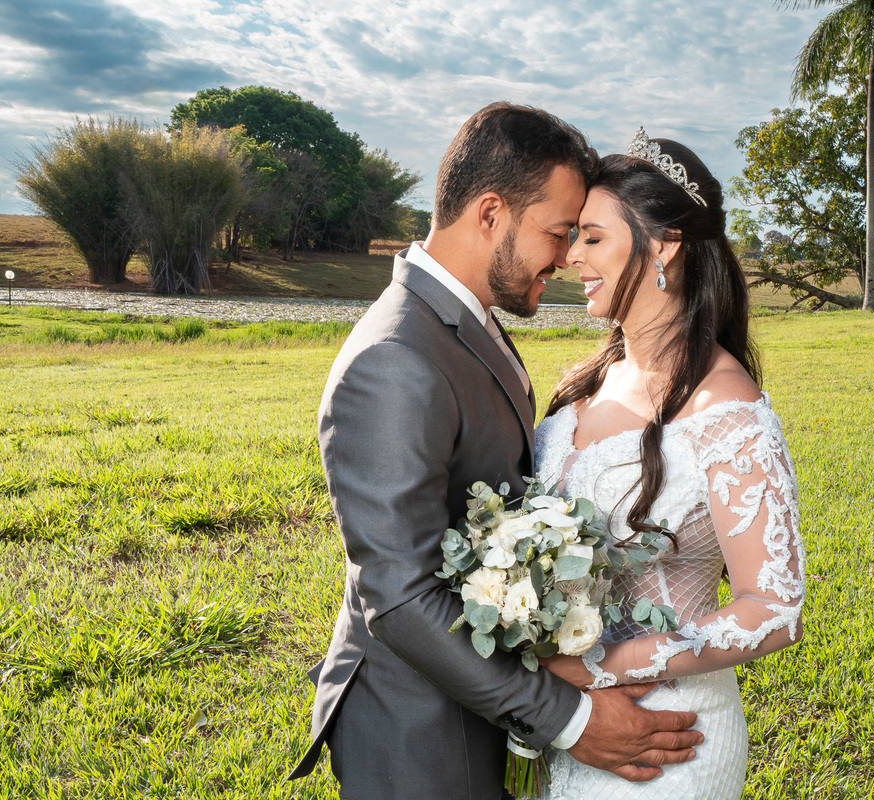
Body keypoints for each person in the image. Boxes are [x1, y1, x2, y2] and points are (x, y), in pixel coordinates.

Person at [287, 105, 705, 800]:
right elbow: (397, 596)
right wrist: (569, 720)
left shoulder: (462, 319)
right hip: (417, 727)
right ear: (490, 213)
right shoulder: (393, 359)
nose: (569, 257)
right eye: (557, 232)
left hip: (477, 694)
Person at [533, 129, 807, 799]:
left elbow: (775, 606)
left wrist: (599, 669)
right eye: (573, 237)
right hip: (564, 730)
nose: (573, 257)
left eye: (593, 237)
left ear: (664, 242)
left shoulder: (728, 410)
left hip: (665, 741)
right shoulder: (586, 382)